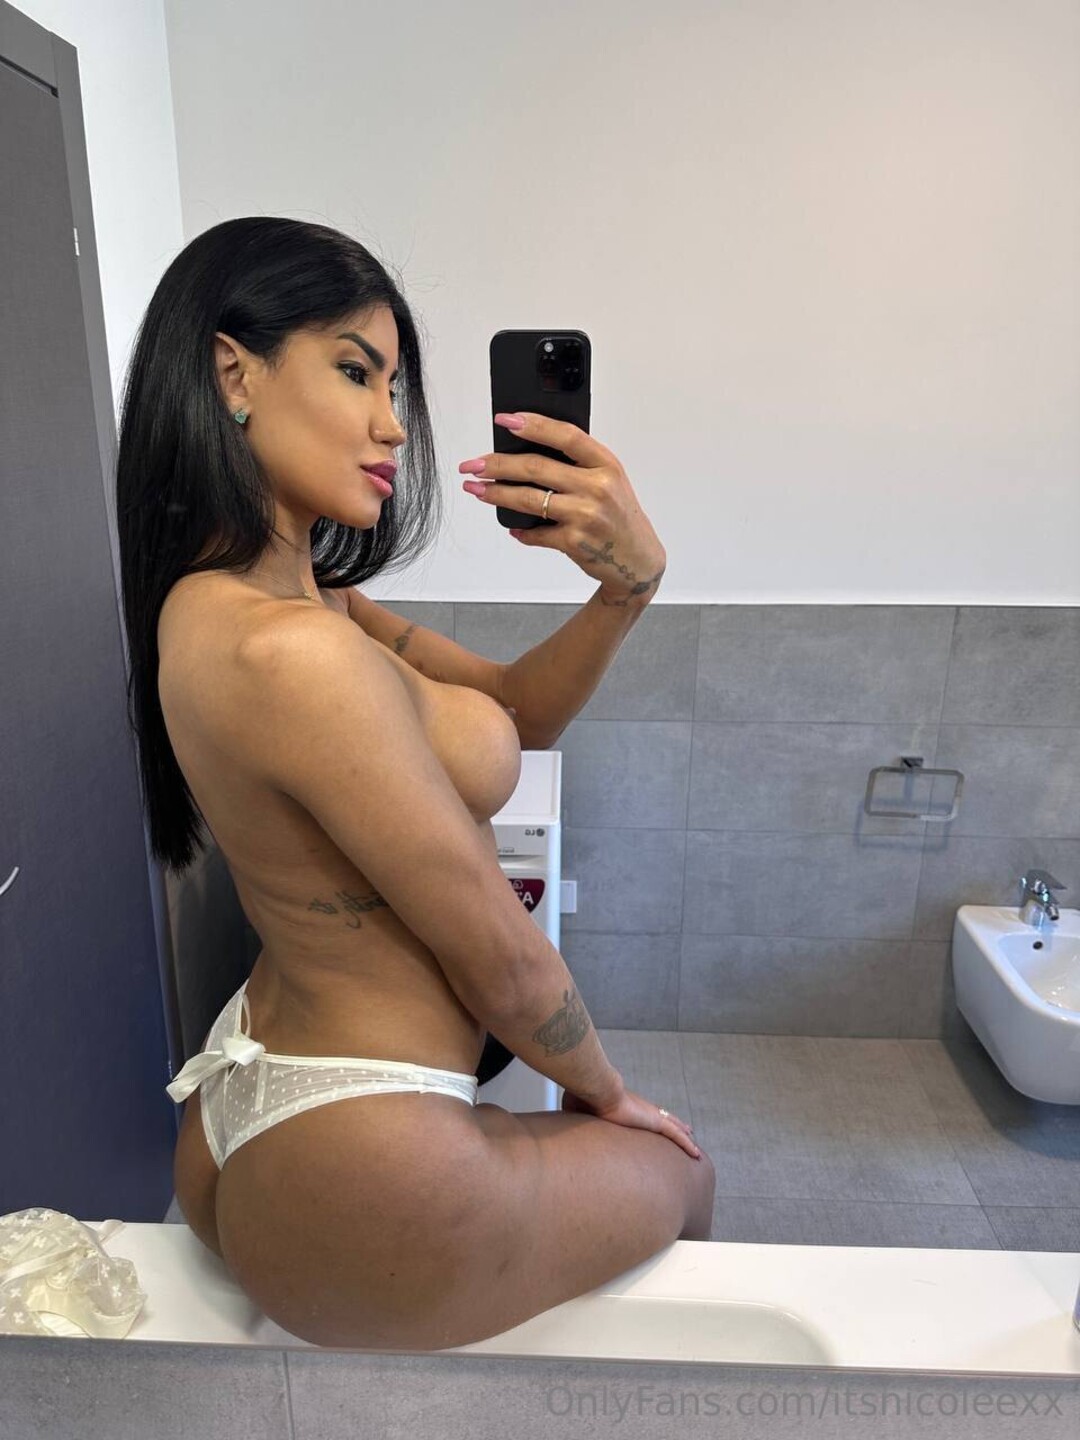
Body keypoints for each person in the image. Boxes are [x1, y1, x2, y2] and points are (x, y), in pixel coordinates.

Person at [117, 216, 714, 1352]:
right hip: (355, 1141)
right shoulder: (296, 653)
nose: (394, 424)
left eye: (395, 387)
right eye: (355, 372)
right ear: (234, 374)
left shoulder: (275, 604)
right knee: (684, 1176)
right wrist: (609, 1095)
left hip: (261, 1092)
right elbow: (498, 951)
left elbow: (517, 712)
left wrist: (622, 592)